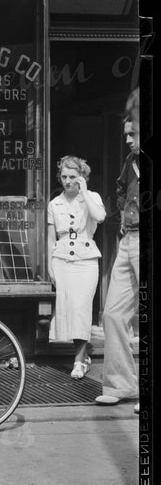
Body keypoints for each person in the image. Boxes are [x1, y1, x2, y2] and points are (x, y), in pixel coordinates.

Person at [95, 88, 141, 411]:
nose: (127, 139)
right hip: (129, 240)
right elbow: (121, 188)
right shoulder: (129, 161)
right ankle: (121, 384)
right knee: (112, 313)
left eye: (133, 133)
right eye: (126, 134)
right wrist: (124, 214)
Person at [46, 156, 106, 379]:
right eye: (64, 176)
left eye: (73, 176)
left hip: (86, 260)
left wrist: (85, 191)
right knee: (69, 309)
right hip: (62, 260)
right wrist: (51, 265)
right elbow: (51, 239)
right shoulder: (54, 204)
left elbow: (100, 217)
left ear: (81, 177)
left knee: (81, 307)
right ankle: (82, 355)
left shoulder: (92, 198)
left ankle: (79, 361)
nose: (68, 181)